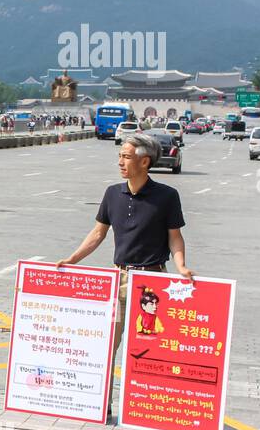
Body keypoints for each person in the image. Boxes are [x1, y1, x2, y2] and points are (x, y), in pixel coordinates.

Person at [56, 131, 194, 409]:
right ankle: (101, 405)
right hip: (118, 279)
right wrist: (73, 259)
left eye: (126, 157)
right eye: (119, 156)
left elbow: (174, 236)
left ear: (145, 162)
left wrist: (181, 267)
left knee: (146, 347)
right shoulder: (112, 194)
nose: (120, 161)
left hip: (152, 281)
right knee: (109, 345)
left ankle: (144, 408)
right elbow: (98, 234)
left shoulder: (167, 196)